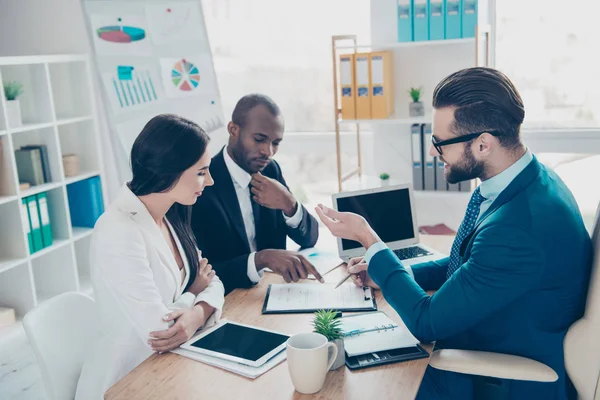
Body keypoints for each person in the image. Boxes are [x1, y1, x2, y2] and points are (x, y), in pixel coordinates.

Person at [315, 67, 592, 400]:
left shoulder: (517, 230)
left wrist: (371, 243)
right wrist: (391, 272)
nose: (433, 152)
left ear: (483, 145)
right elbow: (470, 261)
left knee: (356, 383)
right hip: (489, 333)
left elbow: (426, 321)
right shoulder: (528, 179)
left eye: (440, 143)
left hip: (496, 374)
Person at [76, 114, 225, 399]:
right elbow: (160, 332)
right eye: (201, 172)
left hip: (172, 366)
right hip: (127, 379)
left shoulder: (172, 214)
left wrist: (195, 311)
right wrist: (194, 295)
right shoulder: (117, 230)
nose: (210, 181)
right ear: (169, 170)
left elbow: (213, 281)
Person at [191, 93, 323, 294]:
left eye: (275, 143)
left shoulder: (271, 170)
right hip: (228, 301)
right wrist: (261, 259)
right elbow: (202, 274)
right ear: (233, 130)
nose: (268, 151)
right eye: (259, 139)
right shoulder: (203, 182)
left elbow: (309, 239)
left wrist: (290, 204)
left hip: (275, 292)